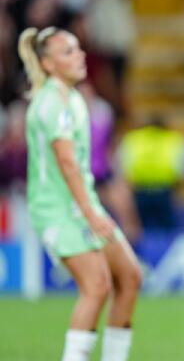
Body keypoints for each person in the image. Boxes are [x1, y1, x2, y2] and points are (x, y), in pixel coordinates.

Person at [19, 26, 142, 361]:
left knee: (129, 277)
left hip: (81, 204)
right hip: (58, 211)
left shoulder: (71, 98)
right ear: (48, 64)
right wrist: (91, 214)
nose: (80, 55)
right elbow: (67, 163)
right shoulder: (51, 104)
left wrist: (90, 209)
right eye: (68, 51)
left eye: (77, 48)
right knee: (97, 286)